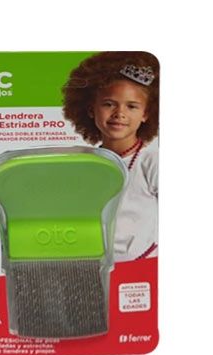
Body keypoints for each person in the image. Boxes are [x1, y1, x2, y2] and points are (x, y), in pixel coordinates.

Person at [62, 52, 159, 261]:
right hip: (92, 264)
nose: (119, 113)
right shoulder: (85, 164)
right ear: (91, 109)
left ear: (145, 114)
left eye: (131, 106)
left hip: (143, 264)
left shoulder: (151, 162)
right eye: (108, 104)